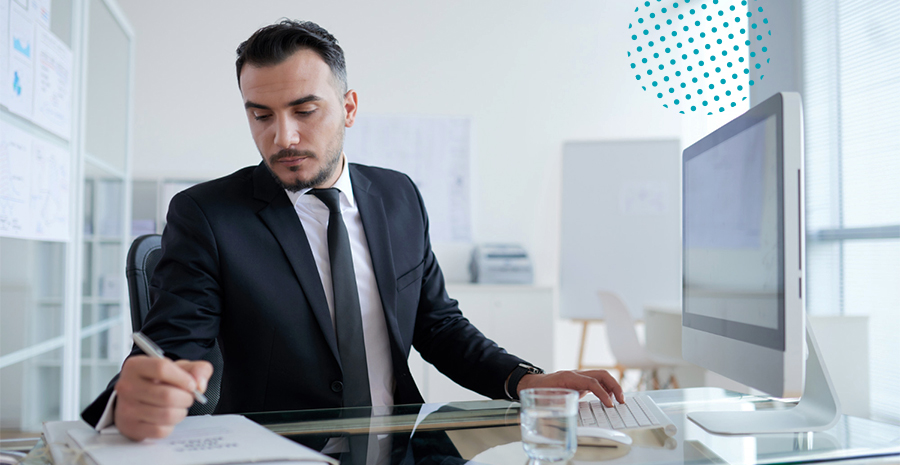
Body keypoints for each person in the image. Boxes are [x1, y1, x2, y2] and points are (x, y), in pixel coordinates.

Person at [81, 19, 624, 442]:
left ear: (348, 108)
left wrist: (525, 381)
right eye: (261, 115)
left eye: (304, 109)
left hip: (405, 443)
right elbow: (170, 348)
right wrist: (131, 400)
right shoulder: (207, 214)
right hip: (280, 451)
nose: (283, 136)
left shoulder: (398, 195)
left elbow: (438, 325)